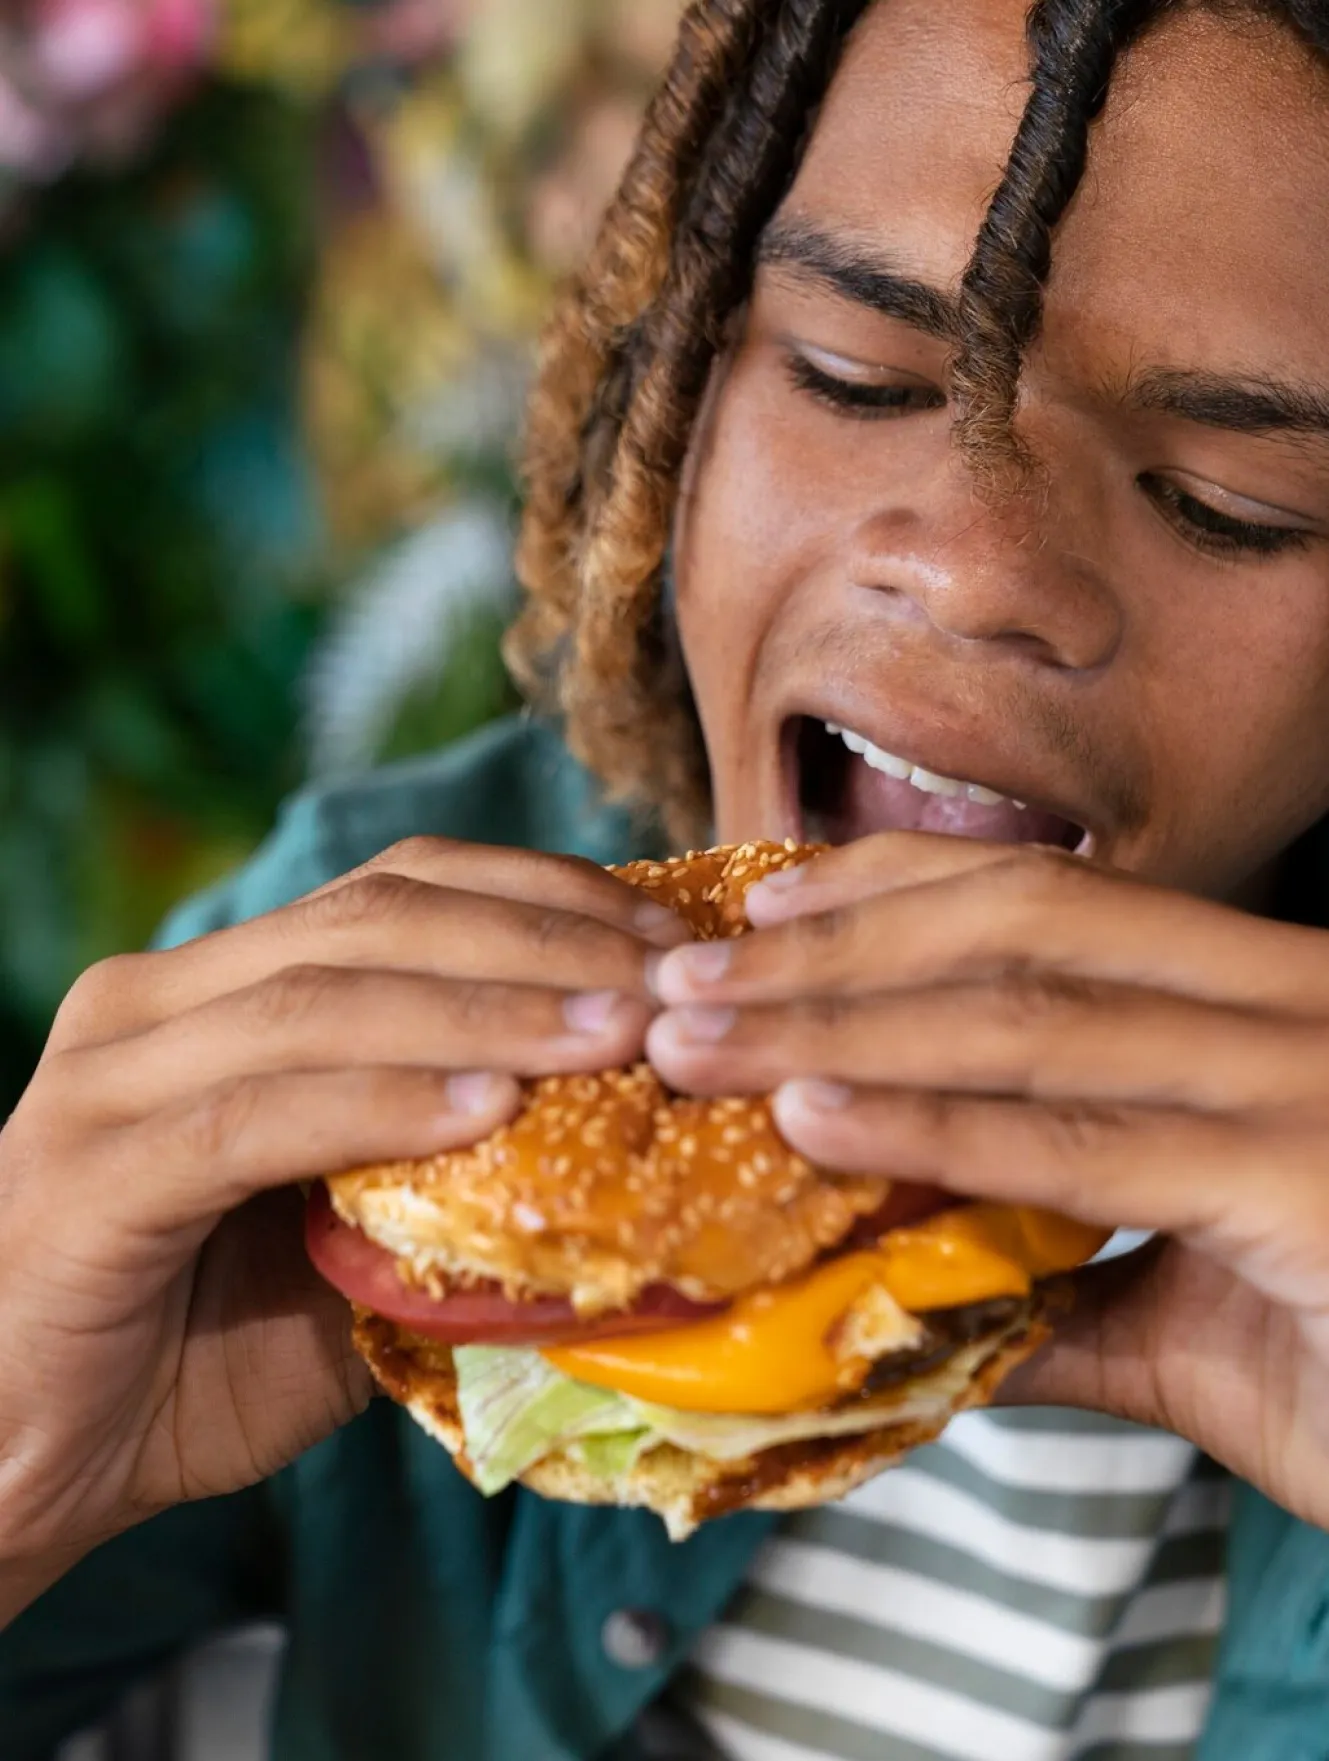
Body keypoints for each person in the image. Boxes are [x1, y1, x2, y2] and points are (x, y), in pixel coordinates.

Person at [4, 0, 1329, 1756]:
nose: (971, 569)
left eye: (1229, 499)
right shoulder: (352, 989)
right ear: (682, 374)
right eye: (853, 376)